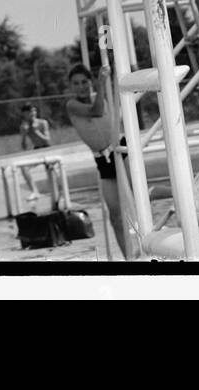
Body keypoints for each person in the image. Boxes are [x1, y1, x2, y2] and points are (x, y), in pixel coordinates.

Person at [66, 63, 127, 258]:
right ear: (70, 87)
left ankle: (177, 195)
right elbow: (95, 111)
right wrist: (100, 84)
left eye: (84, 81)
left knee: (138, 197)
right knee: (115, 216)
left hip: (120, 151)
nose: (81, 86)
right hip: (103, 160)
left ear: (90, 82)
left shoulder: (101, 96)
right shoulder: (72, 105)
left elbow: (101, 109)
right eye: (76, 83)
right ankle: (129, 259)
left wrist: (102, 85)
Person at [18, 103, 52, 201]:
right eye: (29, 111)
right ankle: (35, 191)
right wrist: (24, 135)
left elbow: (47, 140)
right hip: (37, 150)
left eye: (34, 111)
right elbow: (24, 147)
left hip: (47, 149)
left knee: (51, 170)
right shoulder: (24, 126)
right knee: (24, 168)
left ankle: (56, 192)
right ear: (24, 114)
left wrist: (36, 131)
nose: (32, 113)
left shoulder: (42, 123)